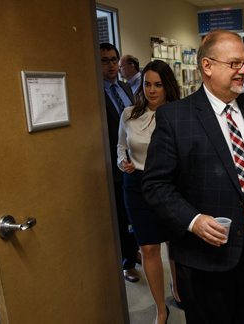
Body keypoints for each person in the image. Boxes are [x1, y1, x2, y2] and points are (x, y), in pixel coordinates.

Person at [142, 30, 244, 324]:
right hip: (205, 255)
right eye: (235, 64)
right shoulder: (175, 118)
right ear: (207, 66)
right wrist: (193, 220)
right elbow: (156, 186)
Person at [117, 60, 182, 324]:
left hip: (170, 184)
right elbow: (121, 146)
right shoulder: (129, 113)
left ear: (168, 87)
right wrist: (123, 162)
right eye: (147, 84)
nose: (152, 90)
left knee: (174, 244)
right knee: (148, 248)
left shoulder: (179, 114)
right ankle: (160, 309)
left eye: (158, 85)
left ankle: (177, 289)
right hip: (137, 185)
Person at [100, 42, 140, 283]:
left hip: (134, 161)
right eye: (105, 60)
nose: (111, 64)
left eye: (114, 59)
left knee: (135, 212)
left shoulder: (125, 88)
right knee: (121, 215)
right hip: (112, 165)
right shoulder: (94, 91)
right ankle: (127, 264)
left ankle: (132, 251)